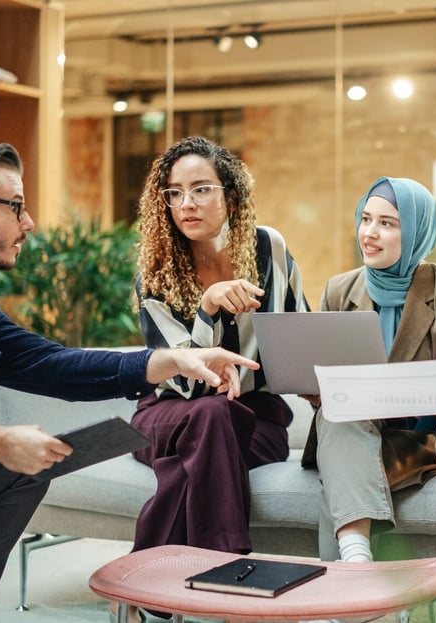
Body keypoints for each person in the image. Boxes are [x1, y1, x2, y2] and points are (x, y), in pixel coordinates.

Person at [0, 140, 260, 623]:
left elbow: (55, 364)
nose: (29, 224)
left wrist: (173, 361)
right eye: (16, 206)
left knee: (28, 466)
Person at [130, 135, 309, 558]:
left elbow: (297, 337)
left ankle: (151, 580)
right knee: (211, 411)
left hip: (254, 423)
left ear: (230, 197)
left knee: (208, 432)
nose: (186, 203)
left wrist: (317, 381)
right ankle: (230, 566)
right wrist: (207, 310)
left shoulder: (269, 249)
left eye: (201, 189)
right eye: (174, 193)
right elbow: (189, 387)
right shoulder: (155, 277)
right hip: (166, 419)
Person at [311, 176, 436, 562]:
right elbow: (324, 376)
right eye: (366, 219)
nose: (369, 233)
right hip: (349, 428)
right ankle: (355, 568)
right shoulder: (339, 290)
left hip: (418, 437)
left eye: (387, 223)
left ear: (416, 232)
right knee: (340, 415)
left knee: (340, 477)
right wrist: (318, 386)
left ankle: (342, 595)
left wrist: (389, 395)